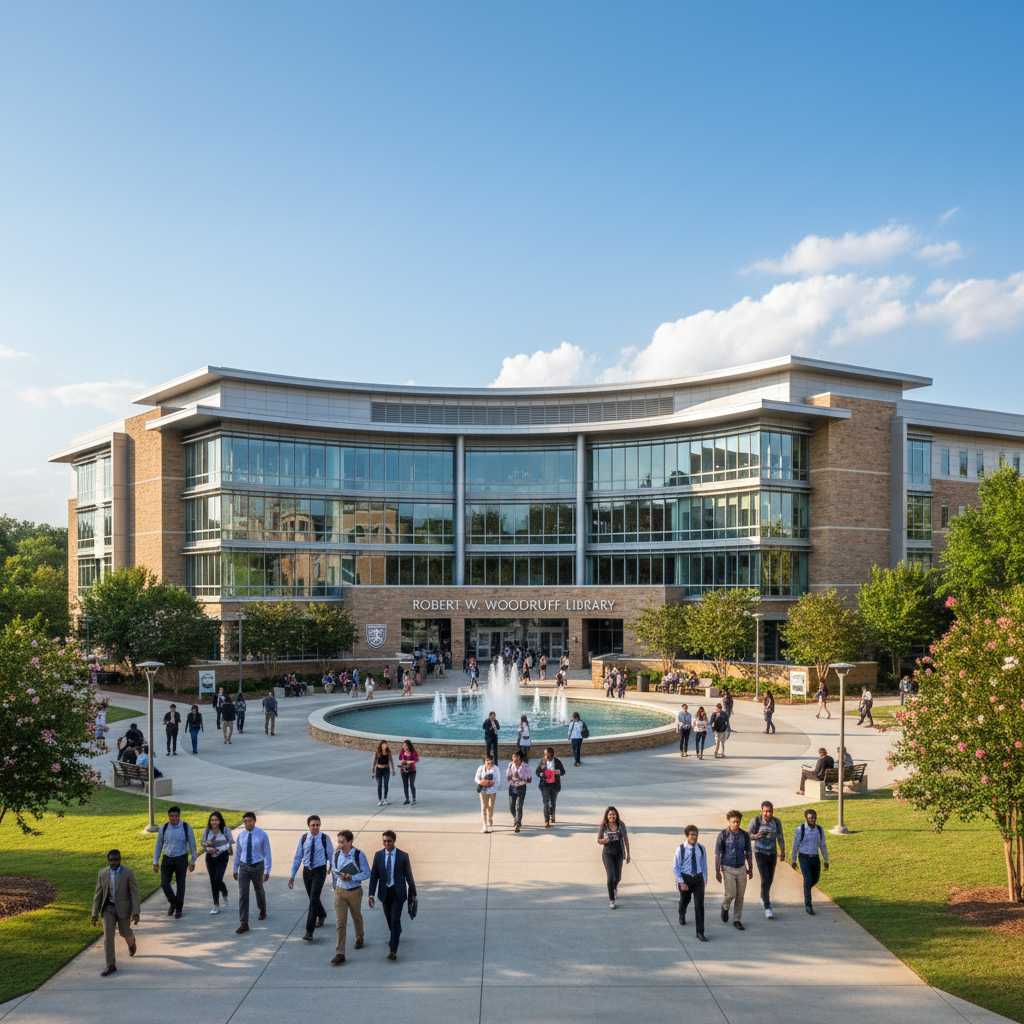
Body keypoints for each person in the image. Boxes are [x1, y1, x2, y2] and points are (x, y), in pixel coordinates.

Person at [368, 830, 417, 961]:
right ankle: (397, 932)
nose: (386, 843)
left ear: (394, 841)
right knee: (390, 920)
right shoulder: (378, 855)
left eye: (389, 841)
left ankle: (393, 950)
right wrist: (371, 894)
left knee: (395, 919)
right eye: (384, 841)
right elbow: (374, 876)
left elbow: (409, 875)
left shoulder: (403, 856)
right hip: (385, 893)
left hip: (398, 893)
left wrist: (413, 893)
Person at [91, 849, 141, 976]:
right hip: (108, 908)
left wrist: (135, 911)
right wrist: (94, 913)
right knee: (108, 937)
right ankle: (111, 965)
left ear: (120, 860)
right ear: (108, 860)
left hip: (124, 908)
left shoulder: (128, 873)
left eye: (116, 859)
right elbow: (98, 894)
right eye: (111, 860)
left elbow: (134, 893)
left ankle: (132, 941)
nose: (114, 862)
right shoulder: (102, 873)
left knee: (124, 932)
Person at [289, 814, 334, 941]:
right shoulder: (304, 838)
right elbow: (298, 857)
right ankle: (322, 914)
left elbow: (331, 856)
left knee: (313, 899)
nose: (315, 827)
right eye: (313, 825)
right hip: (307, 871)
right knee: (312, 897)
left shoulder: (325, 838)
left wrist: (334, 874)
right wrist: (292, 876)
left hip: (320, 871)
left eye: (318, 825)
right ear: (308, 826)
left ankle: (309, 931)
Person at [331, 829, 371, 964]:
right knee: (340, 922)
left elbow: (367, 873)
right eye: (339, 842)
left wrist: (352, 877)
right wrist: (339, 876)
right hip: (340, 891)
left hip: (354, 891)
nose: (340, 845)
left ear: (350, 841)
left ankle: (360, 937)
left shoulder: (359, 855)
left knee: (356, 916)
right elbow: (334, 869)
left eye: (342, 842)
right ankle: (340, 953)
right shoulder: (336, 854)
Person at [152, 806, 197, 918]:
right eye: (172, 816)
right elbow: (159, 845)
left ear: (179, 816)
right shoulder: (164, 827)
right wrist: (155, 862)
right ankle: (173, 902)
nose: (174, 818)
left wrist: (192, 861)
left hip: (181, 859)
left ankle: (179, 909)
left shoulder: (186, 827)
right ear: (169, 816)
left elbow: (192, 844)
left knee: (180, 884)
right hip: (167, 858)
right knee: (164, 883)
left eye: (176, 816)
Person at [233, 811, 272, 933]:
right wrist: (235, 869)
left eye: (250, 821)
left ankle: (262, 908)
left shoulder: (262, 835)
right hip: (244, 867)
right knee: (243, 894)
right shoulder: (241, 835)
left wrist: (267, 870)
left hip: (257, 866)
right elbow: (238, 853)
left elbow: (267, 853)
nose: (247, 823)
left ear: (254, 821)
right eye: (245, 821)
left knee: (259, 889)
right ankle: (244, 923)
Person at [714, 810, 752, 930]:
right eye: (733, 821)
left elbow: (749, 853)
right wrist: (717, 871)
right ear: (729, 821)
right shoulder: (723, 834)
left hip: (741, 868)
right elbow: (718, 854)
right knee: (731, 894)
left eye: (738, 821)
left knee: (740, 896)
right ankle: (725, 906)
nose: (736, 824)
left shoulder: (744, 835)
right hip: (727, 868)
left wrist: (750, 868)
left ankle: (737, 920)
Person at [748, 802, 785, 919]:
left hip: (772, 853)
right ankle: (768, 907)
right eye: (765, 811)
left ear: (773, 811)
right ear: (761, 811)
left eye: (769, 811)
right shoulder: (756, 821)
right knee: (765, 878)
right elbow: (748, 835)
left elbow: (780, 837)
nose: (767, 814)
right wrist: (758, 835)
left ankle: (763, 896)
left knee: (770, 879)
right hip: (760, 853)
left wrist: (782, 852)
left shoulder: (777, 822)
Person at [790, 809, 829, 914]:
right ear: (806, 818)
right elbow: (795, 846)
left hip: (815, 857)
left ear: (816, 817)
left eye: (813, 817)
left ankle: (806, 890)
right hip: (804, 857)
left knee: (815, 879)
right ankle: (808, 905)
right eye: (809, 817)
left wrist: (826, 860)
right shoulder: (800, 830)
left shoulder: (819, 830)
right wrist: (793, 860)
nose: (811, 819)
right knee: (807, 879)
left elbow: (823, 845)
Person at [673, 824, 708, 941]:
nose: (694, 836)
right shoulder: (681, 849)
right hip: (685, 878)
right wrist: (680, 882)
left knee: (699, 905)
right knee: (685, 900)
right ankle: (681, 912)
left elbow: (704, 866)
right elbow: (676, 867)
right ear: (687, 835)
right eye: (692, 834)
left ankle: (700, 931)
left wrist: (704, 880)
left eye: (696, 834)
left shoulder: (701, 849)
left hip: (698, 879)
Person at [200, 811, 233, 914]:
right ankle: (216, 905)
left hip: (222, 856)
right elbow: (203, 843)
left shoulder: (225, 830)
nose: (214, 822)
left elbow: (229, 844)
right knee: (212, 881)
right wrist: (209, 849)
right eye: (212, 820)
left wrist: (219, 849)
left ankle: (224, 892)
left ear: (220, 821)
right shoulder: (207, 830)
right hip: (210, 857)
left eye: (216, 820)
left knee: (217, 880)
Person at [597, 806, 630, 909]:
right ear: (607, 816)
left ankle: (614, 887)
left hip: (619, 853)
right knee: (611, 876)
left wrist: (628, 854)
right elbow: (598, 840)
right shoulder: (603, 825)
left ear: (616, 815)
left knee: (618, 877)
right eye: (610, 814)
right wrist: (604, 841)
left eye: (614, 814)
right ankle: (612, 900)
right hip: (607, 853)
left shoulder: (621, 824)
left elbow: (626, 840)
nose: (612, 816)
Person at [536, 745, 565, 827]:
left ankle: (552, 814)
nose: (545, 756)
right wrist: (540, 774)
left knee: (552, 801)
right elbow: (537, 771)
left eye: (547, 755)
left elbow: (563, 771)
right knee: (546, 803)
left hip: (554, 785)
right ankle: (546, 820)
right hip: (544, 784)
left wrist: (559, 772)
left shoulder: (557, 762)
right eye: (545, 755)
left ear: (552, 755)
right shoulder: (542, 762)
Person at [506, 750, 532, 832]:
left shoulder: (526, 767)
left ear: (520, 758)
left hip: (521, 788)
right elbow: (508, 777)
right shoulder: (510, 765)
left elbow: (529, 779)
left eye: (517, 757)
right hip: (512, 788)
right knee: (512, 806)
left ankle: (517, 823)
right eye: (514, 757)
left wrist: (520, 778)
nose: (515, 759)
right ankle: (516, 818)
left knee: (518, 806)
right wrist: (511, 779)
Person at [475, 755, 498, 832]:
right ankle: (485, 825)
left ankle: (490, 818)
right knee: (484, 807)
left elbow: (498, 781)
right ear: (485, 761)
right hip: (483, 791)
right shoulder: (481, 768)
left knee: (490, 807)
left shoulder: (496, 769)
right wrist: (481, 782)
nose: (489, 762)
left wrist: (491, 783)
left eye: (490, 760)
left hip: (492, 791)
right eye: (487, 760)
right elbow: (476, 778)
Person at [372, 739, 396, 806]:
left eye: (386, 745)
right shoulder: (378, 752)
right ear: (381, 745)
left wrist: (393, 770)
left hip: (386, 769)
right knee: (379, 785)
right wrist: (373, 772)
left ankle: (385, 799)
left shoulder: (388, 752)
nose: (385, 746)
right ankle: (380, 800)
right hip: (379, 770)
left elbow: (391, 761)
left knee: (386, 784)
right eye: (383, 745)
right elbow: (374, 762)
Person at [399, 739, 419, 805]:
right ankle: (407, 799)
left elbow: (417, 759)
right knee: (405, 784)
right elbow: (399, 758)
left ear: (408, 745)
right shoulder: (402, 751)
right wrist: (403, 752)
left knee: (411, 784)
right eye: (403, 745)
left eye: (405, 745)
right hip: (404, 769)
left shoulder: (413, 751)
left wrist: (411, 761)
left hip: (412, 769)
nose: (404, 747)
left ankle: (414, 798)